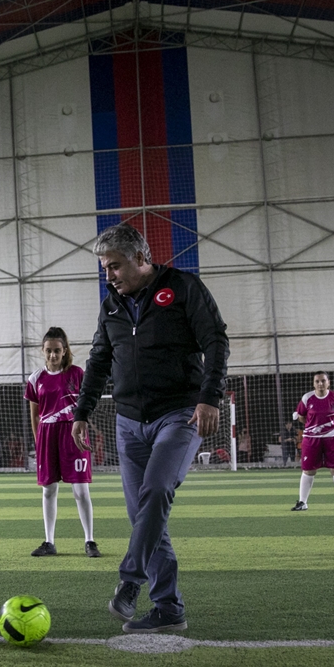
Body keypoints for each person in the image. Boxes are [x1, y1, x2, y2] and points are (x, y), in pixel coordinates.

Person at [73, 223, 228, 634]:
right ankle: (168, 608)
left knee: (157, 492)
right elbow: (99, 360)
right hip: (128, 423)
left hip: (180, 414)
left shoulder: (183, 287)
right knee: (144, 515)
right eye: (105, 269)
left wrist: (210, 397)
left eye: (115, 266)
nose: (109, 276)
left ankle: (129, 582)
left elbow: (215, 341)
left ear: (141, 259)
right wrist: (82, 411)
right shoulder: (111, 306)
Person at [25, 326, 98, 558]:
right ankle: (49, 542)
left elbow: (85, 406)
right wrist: (39, 442)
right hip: (47, 435)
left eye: (57, 351)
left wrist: (83, 426)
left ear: (65, 351)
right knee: (49, 490)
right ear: (42, 351)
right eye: (48, 351)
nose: (53, 355)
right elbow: (35, 415)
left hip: (73, 433)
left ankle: (90, 541)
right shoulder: (35, 378)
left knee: (81, 491)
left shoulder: (77, 374)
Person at [291, 372, 334, 511]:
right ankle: (302, 502)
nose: (320, 384)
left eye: (323, 381)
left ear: (328, 382)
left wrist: (332, 428)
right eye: (317, 381)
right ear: (313, 383)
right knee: (308, 470)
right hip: (312, 439)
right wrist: (314, 428)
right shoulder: (307, 398)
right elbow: (302, 417)